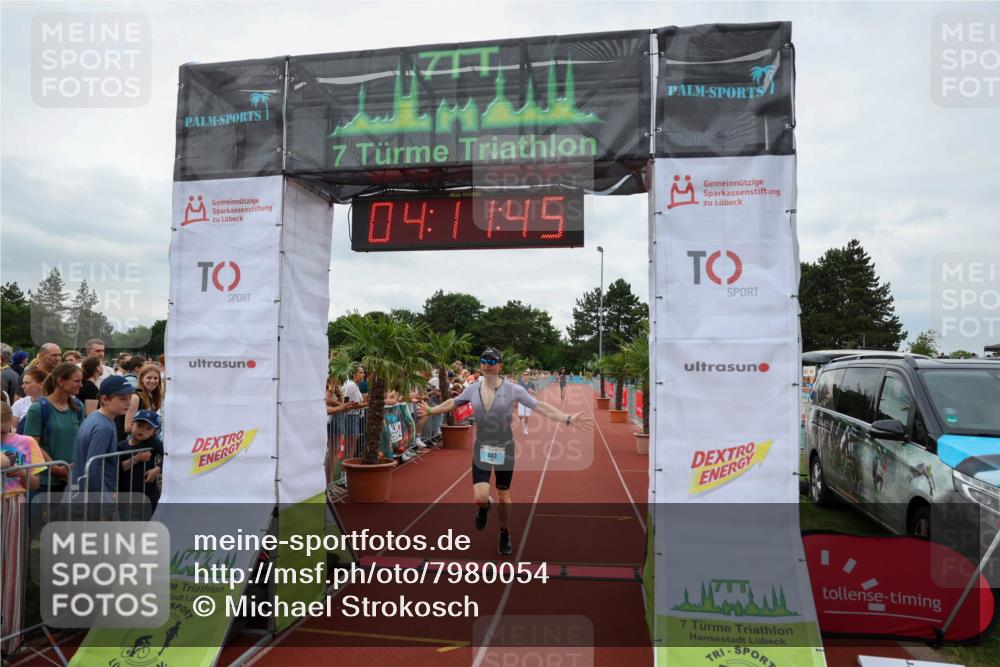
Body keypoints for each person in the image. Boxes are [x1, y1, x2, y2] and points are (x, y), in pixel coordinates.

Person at [420, 348, 593, 555]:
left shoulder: (513, 390)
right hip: (482, 447)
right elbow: (453, 402)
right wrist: (431, 410)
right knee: (480, 498)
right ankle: (485, 507)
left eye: (492, 360)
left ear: (500, 365)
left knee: (503, 495)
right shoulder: (473, 388)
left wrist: (567, 418)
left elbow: (541, 407)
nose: (487, 364)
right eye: (484, 360)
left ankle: (504, 532)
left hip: (505, 448)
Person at [1, 402, 44, 655]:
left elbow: (35, 482)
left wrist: (19, 470)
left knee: (12, 572)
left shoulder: (25, 442)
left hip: (13, 504)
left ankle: (10, 641)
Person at [20, 363, 84, 492]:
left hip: (71, 478)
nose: (81, 385)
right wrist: (54, 467)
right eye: (76, 381)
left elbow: (80, 439)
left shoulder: (78, 406)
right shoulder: (38, 408)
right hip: (45, 482)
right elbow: (32, 443)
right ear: (61, 381)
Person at [73, 375, 134, 501]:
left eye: (130, 397)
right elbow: (93, 467)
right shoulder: (103, 427)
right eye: (122, 398)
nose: (128, 403)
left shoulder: (96, 417)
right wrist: (104, 501)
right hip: (92, 497)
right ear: (105, 399)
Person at [118, 410, 163, 511]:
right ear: (132, 424)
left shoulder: (153, 442)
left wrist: (157, 469)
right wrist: (137, 458)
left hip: (147, 495)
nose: (142, 430)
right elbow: (118, 467)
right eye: (139, 425)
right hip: (125, 496)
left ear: (154, 432)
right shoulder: (121, 446)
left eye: (148, 428)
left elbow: (168, 456)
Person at [124, 364, 164, 434]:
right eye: (149, 378)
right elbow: (127, 428)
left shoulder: (151, 396)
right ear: (142, 379)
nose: (152, 381)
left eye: (155, 378)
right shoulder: (135, 397)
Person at [516, 371, 538, 436]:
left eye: (527, 375)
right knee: (521, 415)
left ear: (528, 376)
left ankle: (525, 429)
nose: (526, 376)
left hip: (529, 402)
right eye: (524, 375)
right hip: (521, 402)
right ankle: (520, 419)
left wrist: (532, 391)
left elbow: (536, 392)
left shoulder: (532, 384)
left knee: (527, 417)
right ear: (523, 376)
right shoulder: (520, 384)